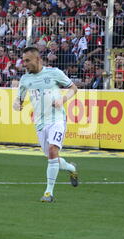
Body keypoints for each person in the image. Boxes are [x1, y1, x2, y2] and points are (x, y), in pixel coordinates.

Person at [13, 47, 79, 203]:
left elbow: (73, 88)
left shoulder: (54, 72)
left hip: (57, 120)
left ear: (38, 59)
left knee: (52, 150)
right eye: (24, 61)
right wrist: (16, 104)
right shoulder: (25, 80)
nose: (25, 64)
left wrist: (63, 99)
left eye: (28, 60)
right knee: (52, 157)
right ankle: (71, 168)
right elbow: (19, 99)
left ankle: (48, 193)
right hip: (40, 124)